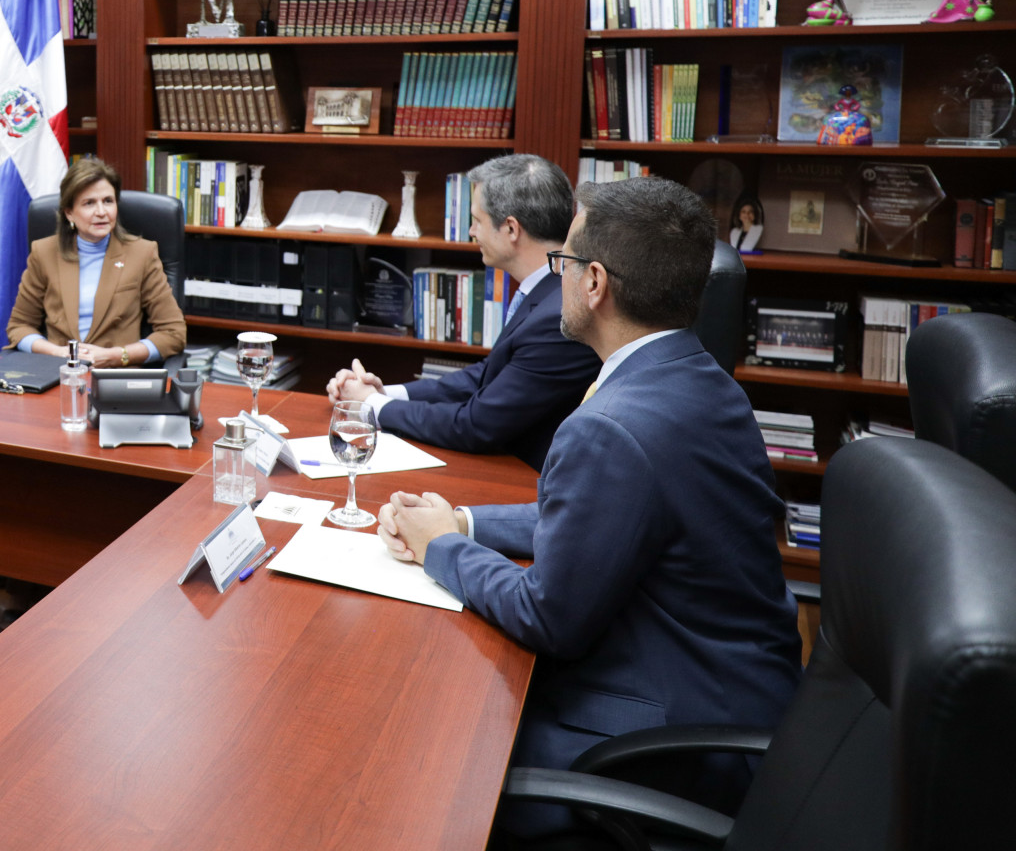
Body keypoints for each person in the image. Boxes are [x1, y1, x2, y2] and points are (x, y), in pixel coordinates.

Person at [378, 177, 801, 835]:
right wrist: (464, 521)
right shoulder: (701, 378)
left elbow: (547, 616)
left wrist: (441, 548)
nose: (559, 278)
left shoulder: (610, 426)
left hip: (674, 736)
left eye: (564, 262)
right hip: (735, 693)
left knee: (429, 760)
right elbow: (603, 521)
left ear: (595, 282)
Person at [325, 155, 599, 468]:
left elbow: (475, 425)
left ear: (511, 228)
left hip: (521, 477)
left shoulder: (557, 316)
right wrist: (384, 393)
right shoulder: (547, 291)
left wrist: (372, 405)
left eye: (477, 220)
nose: (471, 231)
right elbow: (487, 376)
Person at [7, 157, 186, 367]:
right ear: (69, 213)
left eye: (108, 201)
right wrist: (57, 352)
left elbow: (173, 333)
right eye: (89, 203)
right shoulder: (44, 253)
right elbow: (19, 326)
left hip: (115, 376)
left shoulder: (142, 254)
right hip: (57, 373)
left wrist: (118, 355)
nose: (101, 212)